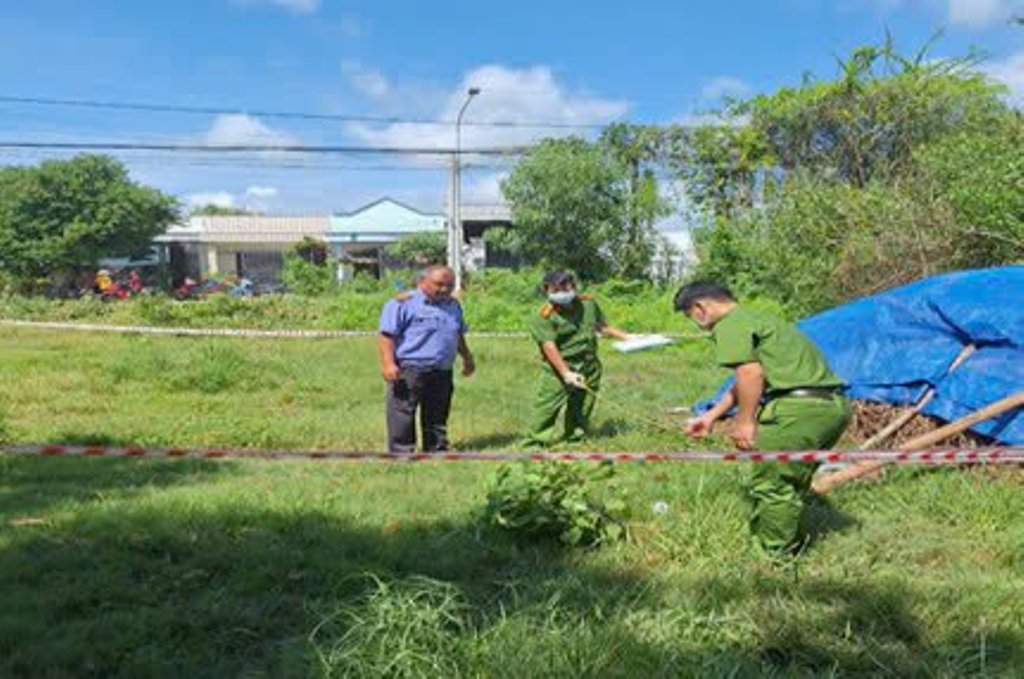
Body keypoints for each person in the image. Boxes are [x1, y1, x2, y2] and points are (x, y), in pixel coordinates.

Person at [675, 281, 851, 555]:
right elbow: (745, 379)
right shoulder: (759, 318)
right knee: (792, 481)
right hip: (831, 407)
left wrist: (745, 422)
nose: (697, 324)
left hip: (797, 410)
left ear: (700, 308)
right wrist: (710, 416)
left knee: (772, 484)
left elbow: (750, 375)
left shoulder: (729, 324)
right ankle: (795, 538)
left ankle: (772, 558)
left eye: (690, 317)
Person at [524, 270, 631, 446]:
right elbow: (548, 346)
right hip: (560, 367)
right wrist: (566, 373)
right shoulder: (543, 315)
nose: (562, 292)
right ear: (546, 290)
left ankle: (574, 438)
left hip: (589, 364)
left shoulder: (588, 303)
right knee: (548, 406)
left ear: (574, 286)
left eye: (566, 286)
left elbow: (600, 326)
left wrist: (626, 336)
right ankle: (535, 443)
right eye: (556, 289)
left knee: (583, 404)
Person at [378, 265, 475, 453]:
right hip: (410, 368)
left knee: (438, 412)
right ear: (422, 282)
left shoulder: (453, 305)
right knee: (402, 411)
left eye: (450, 285)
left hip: (442, 369)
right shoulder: (403, 303)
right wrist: (388, 364)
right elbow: (386, 335)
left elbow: (457, 334)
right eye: (439, 284)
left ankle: (436, 448)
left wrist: (467, 357)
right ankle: (402, 451)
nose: (445, 289)